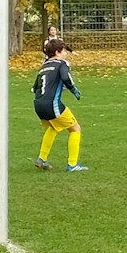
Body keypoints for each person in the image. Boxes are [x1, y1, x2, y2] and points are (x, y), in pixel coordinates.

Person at [32, 39, 89, 172]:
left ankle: (42, 158)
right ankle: (72, 165)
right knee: (75, 129)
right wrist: (73, 89)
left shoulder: (44, 65)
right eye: (64, 51)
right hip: (52, 105)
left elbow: (35, 87)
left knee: (53, 127)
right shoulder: (62, 63)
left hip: (38, 104)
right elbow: (65, 77)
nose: (66, 54)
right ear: (58, 52)